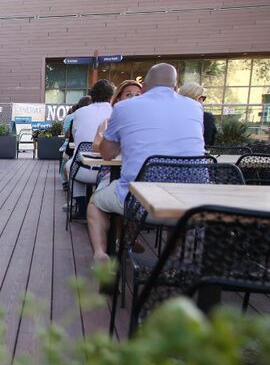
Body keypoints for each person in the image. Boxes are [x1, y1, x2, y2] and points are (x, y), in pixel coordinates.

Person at [87, 63, 206, 264]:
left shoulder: (124, 107)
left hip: (140, 203)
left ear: (143, 88)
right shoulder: (195, 107)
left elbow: (107, 154)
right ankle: (173, 263)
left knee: (95, 202)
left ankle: (100, 254)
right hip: (191, 204)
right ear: (175, 87)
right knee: (176, 221)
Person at [64, 80, 115, 219]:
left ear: (92, 95)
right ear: (112, 96)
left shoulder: (79, 113)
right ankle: (102, 209)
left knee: (69, 165)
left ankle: (81, 207)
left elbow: (74, 136)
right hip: (108, 174)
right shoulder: (115, 112)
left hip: (81, 170)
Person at [179, 82, 217, 146]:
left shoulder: (171, 116)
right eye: (202, 98)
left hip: (170, 154)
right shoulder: (206, 117)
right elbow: (209, 142)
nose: (202, 101)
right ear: (197, 99)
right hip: (197, 154)